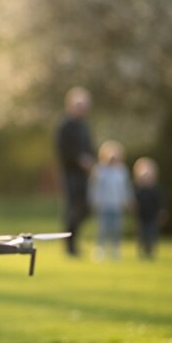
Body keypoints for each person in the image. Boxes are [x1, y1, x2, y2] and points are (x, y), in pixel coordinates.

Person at [55, 87, 95, 256]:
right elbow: (62, 150)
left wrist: (92, 161)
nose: (82, 108)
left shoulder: (84, 127)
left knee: (85, 209)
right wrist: (79, 160)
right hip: (70, 174)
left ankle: (74, 241)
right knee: (72, 209)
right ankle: (70, 246)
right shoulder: (65, 127)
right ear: (70, 105)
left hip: (84, 176)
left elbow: (90, 148)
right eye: (79, 104)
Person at [88, 140, 133, 260]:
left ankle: (115, 251)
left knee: (116, 229)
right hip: (104, 205)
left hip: (117, 205)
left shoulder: (122, 171)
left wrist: (128, 200)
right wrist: (95, 201)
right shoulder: (100, 170)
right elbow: (95, 188)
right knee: (102, 229)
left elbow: (125, 188)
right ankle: (100, 251)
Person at [132, 157, 165, 259]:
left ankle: (150, 252)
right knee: (142, 234)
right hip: (141, 216)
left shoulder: (156, 190)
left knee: (151, 234)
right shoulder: (138, 190)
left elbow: (161, 203)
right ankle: (141, 252)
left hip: (152, 216)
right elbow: (134, 202)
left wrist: (162, 212)